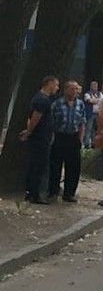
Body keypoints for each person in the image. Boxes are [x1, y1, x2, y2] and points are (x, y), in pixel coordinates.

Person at [18, 76, 59, 204]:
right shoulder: (42, 100)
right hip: (40, 138)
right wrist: (29, 132)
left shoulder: (40, 98)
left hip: (41, 137)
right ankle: (36, 195)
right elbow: (35, 117)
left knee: (36, 165)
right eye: (56, 85)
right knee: (40, 166)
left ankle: (31, 192)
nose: (57, 88)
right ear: (50, 84)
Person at [47, 80, 87, 202]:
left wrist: (80, 139)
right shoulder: (57, 104)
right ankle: (53, 191)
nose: (74, 91)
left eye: (76, 89)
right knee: (55, 166)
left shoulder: (80, 104)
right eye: (72, 89)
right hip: (59, 137)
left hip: (73, 138)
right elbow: (51, 122)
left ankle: (69, 193)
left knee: (73, 167)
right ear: (65, 90)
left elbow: (82, 123)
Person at [83, 81, 103, 149]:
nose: (95, 88)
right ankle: (86, 144)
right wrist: (98, 100)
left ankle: (94, 144)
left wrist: (95, 100)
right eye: (93, 86)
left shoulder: (100, 93)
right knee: (88, 128)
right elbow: (89, 101)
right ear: (91, 86)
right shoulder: (87, 94)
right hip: (90, 114)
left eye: (96, 86)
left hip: (98, 114)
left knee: (96, 129)